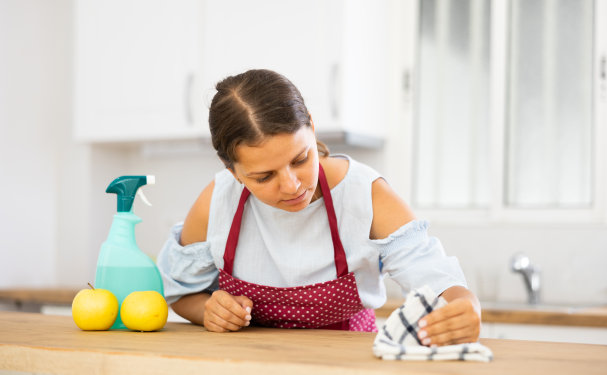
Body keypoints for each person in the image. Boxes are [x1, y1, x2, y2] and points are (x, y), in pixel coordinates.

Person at [157, 69, 481, 345]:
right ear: (232, 170)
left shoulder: (365, 195)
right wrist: (208, 310)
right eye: (264, 176)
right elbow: (180, 292)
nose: (292, 185)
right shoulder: (217, 202)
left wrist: (464, 305)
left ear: (312, 127)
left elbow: (435, 278)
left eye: (300, 159)